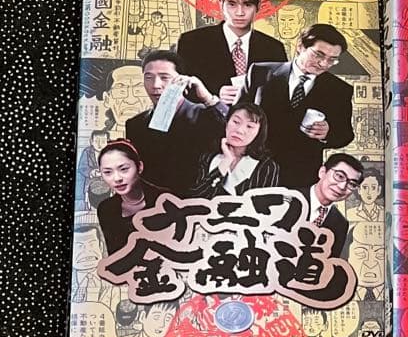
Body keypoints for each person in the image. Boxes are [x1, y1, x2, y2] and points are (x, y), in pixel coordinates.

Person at [241, 23, 355, 189]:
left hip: (301, 174)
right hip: (252, 167)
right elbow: (235, 115)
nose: (324, 64)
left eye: (332, 60)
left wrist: (327, 133)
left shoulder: (339, 90)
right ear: (300, 46)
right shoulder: (260, 72)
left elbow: (345, 134)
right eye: (318, 55)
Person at [124, 49, 226, 195]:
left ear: (182, 80)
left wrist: (208, 98)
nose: (155, 85)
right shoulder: (136, 124)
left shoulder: (204, 115)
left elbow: (236, 130)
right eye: (149, 77)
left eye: (164, 77)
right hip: (155, 202)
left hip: (200, 199)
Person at [176, 0, 287, 96]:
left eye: (247, 5)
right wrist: (213, 95)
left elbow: (281, 94)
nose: (240, 12)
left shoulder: (274, 48)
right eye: (232, 5)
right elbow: (179, 90)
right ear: (221, 5)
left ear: (258, 7)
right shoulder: (192, 42)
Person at [191, 101, 279, 196]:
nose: (240, 130)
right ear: (226, 123)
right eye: (236, 122)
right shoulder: (208, 158)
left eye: (249, 126)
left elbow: (264, 203)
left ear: (259, 133)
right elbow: (195, 197)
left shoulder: (267, 166)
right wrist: (226, 161)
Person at [94, 140, 164, 255]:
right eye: (108, 172)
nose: (117, 178)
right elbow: (115, 255)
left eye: (124, 169)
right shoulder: (106, 209)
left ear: (139, 167)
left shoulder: (165, 199)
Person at [305, 153, 363, 258]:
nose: (342, 186)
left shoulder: (341, 224)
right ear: (322, 172)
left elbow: (328, 263)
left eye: (352, 184)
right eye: (339, 176)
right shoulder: (285, 198)